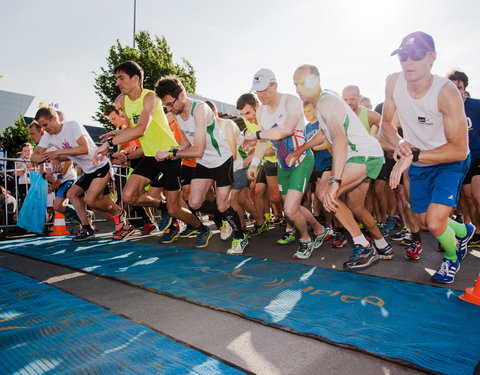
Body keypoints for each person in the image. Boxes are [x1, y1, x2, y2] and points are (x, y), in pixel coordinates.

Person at [381, 31, 474, 283]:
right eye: (403, 56)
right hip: (419, 162)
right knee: (422, 222)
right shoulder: (393, 82)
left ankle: (452, 258)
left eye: (416, 55)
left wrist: (415, 153)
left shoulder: (446, 93)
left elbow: (458, 148)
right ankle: (464, 231)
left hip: (449, 160)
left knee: (434, 223)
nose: (408, 62)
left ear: (432, 57)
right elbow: (385, 127)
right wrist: (401, 143)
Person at [291, 64, 391, 270]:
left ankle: (364, 247)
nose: (299, 89)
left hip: (364, 155)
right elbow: (323, 132)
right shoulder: (322, 103)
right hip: (364, 155)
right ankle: (382, 245)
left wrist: (335, 181)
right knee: (356, 207)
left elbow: (339, 139)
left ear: (316, 81)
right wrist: (301, 149)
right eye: (295, 84)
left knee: (329, 195)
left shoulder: (326, 102)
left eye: (303, 83)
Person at [94, 61, 203, 243]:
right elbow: (133, 128)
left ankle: (201, 228)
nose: (117, 83)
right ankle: (164, 207)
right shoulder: (122, 101)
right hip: (150, 155)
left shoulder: (150, 97)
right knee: (129, 196)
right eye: (116, 79)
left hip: (169, 155)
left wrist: (110, 144)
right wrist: (118, 133)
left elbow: (141, 129)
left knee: (175, 207)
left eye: (121, 78)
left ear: (135, 79)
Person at [155, 75, 249, 255]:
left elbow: (197, 149)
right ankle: (222, 222)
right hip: (204, 163)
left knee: (222, 205)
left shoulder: (199, 109)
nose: (168, 108)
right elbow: (187, 140)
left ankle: (240, 235)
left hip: (221, 161)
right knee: (194, 202)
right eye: (165, 105)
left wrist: (172, 153)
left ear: (181, 95)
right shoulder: (178, 113)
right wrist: (175, 149)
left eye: (169, 104)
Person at [244, 68, 332, 260]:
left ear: (275, 85)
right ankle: (319, 229)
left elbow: (285, 130)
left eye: (265, 89)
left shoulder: (291, 101)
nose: (261, 95)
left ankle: (305, 239)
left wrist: (255, 135)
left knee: (291, 209)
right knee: (290, 208)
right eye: (257, 91)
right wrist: (255, 163)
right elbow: (264, 141)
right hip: (283, 164)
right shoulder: (261, 112)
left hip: (301, 159)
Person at [31, 107, 120, 241]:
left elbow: (84, 149)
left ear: (54, 119)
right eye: (41, 126)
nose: (44, 129)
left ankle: (120, 215)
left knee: (91, 201)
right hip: (88, 171)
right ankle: (89, 228)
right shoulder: (48, 137)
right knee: (73, 195)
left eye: (45, 124)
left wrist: (58, 153)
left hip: (100, 165)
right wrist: (50, 157)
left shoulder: (72, 125)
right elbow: (34, 157)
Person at [447, 70, 480, 246]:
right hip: (459, 159)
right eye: (452, 87)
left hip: (478, 156)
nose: (456, 90)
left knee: (477, 194)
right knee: (466, 198)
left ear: (464, 89)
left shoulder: (476, 105)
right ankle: (474, 231)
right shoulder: (445, 109)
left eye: (459, 87)